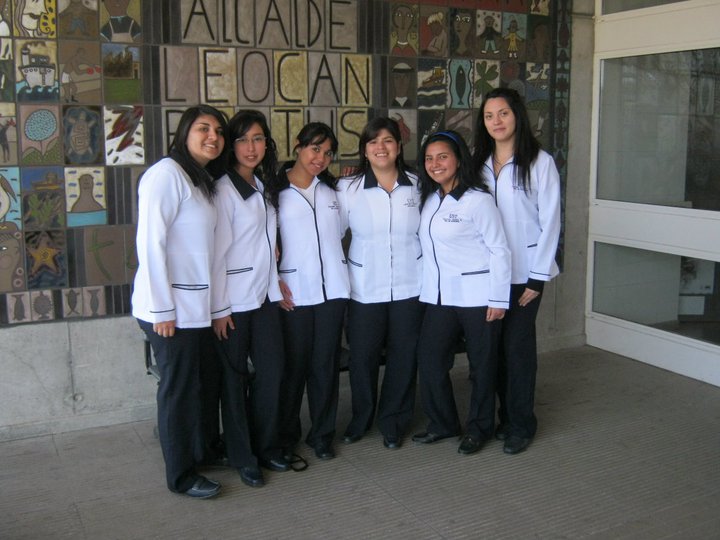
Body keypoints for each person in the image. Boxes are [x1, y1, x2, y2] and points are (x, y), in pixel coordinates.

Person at [132, 105, 228, 498]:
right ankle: (181, 474)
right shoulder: (166, 174)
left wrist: (217, 309)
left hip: (196, 308)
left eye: (219, 131)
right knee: (179, 390)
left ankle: (202, 450)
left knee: (201, 385)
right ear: (184, 132)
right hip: (169, 311)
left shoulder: (199, 179)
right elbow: (150, 243)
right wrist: (162, 309)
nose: (213, 137)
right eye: (203, 128)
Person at [473, 87, 561, 454]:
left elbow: (551, 221)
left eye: (503, 113)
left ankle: (522, 424)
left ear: (517, 116)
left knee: (518, 350)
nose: (496, 121)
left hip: (525, 275)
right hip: (488, 275)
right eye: (489, 115)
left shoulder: (539, 162)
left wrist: (538, 279)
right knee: (494, 351)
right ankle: (504, 417)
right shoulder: (477, 163)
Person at [412, 130, 511, 455]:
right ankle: (443, 423)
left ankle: (480, 428)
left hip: (477, 297)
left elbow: (499, 249)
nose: (435, 164)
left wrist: (498, 299)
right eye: (429, 158)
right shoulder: (430, 199)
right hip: (439, 297)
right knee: (430, 360)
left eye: (443, 156)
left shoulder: (478, 200)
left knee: (482, 366)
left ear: (458, 160)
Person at [209, 110, 289, 485]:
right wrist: (219, 309)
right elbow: (216, 255)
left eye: (258, 139)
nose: (251, 147)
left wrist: (277, 282)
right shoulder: (222, 190)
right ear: (231, 145)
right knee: (234, 381)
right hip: (234, 303)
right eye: (242, 139)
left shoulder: (261, 184)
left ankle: (268, 446)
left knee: (272, 373)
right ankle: (243, 456)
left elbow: (266, 243)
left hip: (264, 298)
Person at [337, 117, 423, 449]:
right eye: (373, 141)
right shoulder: (348, 188)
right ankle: (361, 418)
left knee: (404, 357)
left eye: (387, 140)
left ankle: (393, 421)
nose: (381, 147)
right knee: (362, 358)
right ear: (364, 149)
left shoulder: (418, 185)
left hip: (409, 286)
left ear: (399, 146)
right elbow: (330, 234)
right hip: (364, 288)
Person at [268, 122, 349, 461]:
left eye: (328, 153)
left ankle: (322, 435)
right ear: (298, 146)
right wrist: (273, 281)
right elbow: (262, 243)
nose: (321, 158)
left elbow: (342, 231)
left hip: (334, 292)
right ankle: (287, 436)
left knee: (325, 367)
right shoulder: (273, 191)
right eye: (315, 149)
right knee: (294, 368)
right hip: (294, 293)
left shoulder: (332, 191)